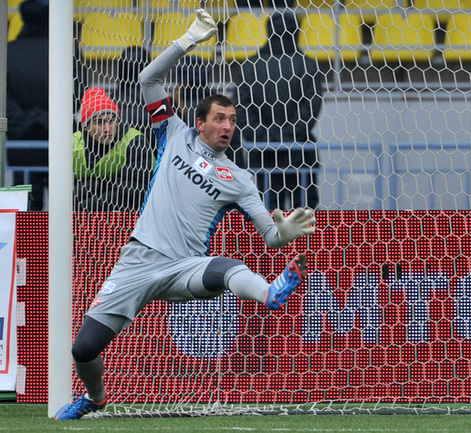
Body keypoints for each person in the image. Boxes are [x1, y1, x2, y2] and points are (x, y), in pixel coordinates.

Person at [54, 9, 316, 420]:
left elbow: (269, 236)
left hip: (184, 267)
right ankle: (96, 397)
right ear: (200, 122)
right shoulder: (173, 132)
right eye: (219, 118)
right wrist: (187, 40)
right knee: (83, 349)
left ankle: (270, 293)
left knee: (226, 267)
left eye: (232, 120)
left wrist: (283, 231)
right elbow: (147, 80)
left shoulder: (240, 179)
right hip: (138, 260)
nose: (227, 126)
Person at [234, 10, 324, 210]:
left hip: (263, 152)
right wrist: (289, 135)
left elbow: (242, 107)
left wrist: (264, 136)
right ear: (297, 31)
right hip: (300, 151)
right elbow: (311, 106)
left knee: (269, 212)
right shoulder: (308, 65)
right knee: (304, 212)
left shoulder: (249, 67)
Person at [6, 0, 88, 210]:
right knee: (64, 205)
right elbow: (78, 91)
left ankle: (28, 233)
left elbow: (4, 99)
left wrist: (28, 124)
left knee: (27, 206)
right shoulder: (68, 51)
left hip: (22, 142)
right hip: (59, 139)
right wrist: (48, 121)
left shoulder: (9, 52)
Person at [74, 87, 155, 212]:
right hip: (81, 218)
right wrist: (95, 186)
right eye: (99, 122)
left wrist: (82, 207)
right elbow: (62, 192)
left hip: (132, 217)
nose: (107, 129)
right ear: (85, 126)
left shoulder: (135, 142)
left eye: (112, 121)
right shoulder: (72, 145)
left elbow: (131, 195)